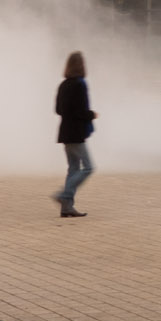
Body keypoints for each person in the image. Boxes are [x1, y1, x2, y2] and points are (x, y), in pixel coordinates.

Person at [52, 51, 97, 218]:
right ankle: (63, 195)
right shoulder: (79, 84)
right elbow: (80, 111)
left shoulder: (63, 85)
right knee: (89, 167)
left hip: (65, 133)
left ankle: (67, 208)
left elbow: (58, 110)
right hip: (76, 133)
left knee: (73, 168)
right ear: (81, 66)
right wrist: (92, 114)